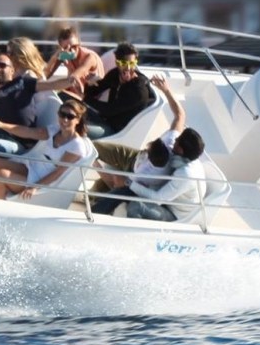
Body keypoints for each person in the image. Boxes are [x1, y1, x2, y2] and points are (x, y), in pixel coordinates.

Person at [0, 49, 79, 169]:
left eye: (2, 66)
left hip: (21, 144)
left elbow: (52, 85)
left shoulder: (23, 84)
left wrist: (70, 81)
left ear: (12, 70)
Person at [91, 74, 183, 215]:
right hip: (132, 157)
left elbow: (118, 182)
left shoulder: (144, 175)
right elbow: (180, 115)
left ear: (149, 153)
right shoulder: (171, 142)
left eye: (149, 147)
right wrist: (166, 90)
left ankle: (94, 207)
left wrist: (101, 171)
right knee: (92, 147)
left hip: (132, 174)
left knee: (103, 187)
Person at [0, 100, 91, 200]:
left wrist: (35, 187)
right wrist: (1, 125)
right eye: (62, 114)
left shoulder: (76, 146)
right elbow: (28, 132)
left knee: (1, 174)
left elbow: (57, 173)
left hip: (41, 179)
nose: (65, 119)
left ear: (78, 120)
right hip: (31, 167)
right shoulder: (55, 130)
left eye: (70, 116)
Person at [126, 127, 207, 222]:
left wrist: (128, 183)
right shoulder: (189, 161)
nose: (175, 140)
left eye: (178, 140)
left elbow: (158, 199)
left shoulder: (185, 174)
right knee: (137, 188)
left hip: (175, 215)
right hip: (170, 200)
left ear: (180, 150)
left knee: (136, 206)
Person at [82, 42, 151, 138]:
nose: (128, 68)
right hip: (106, 120)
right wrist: (89, 82)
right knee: (67, 103)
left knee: (76, 126)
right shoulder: (115, 74)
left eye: (132, 63)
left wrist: (85, 99)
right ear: (117, 63)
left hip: (118, 132)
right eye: (123, 63)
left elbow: (109, 110)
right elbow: (94, 91)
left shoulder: (138, 90)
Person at [44, 27, 103, 100]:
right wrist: (55, 57)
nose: (72, 50)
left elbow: (75, 76)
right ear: (61, 48)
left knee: (58, 95)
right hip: (76, 95)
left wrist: (48, 86)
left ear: (79, 43)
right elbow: (44, 76)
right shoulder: (64, 56)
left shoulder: (89, 57)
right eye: (67, 48)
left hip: (93, 98)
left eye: (74, 46)